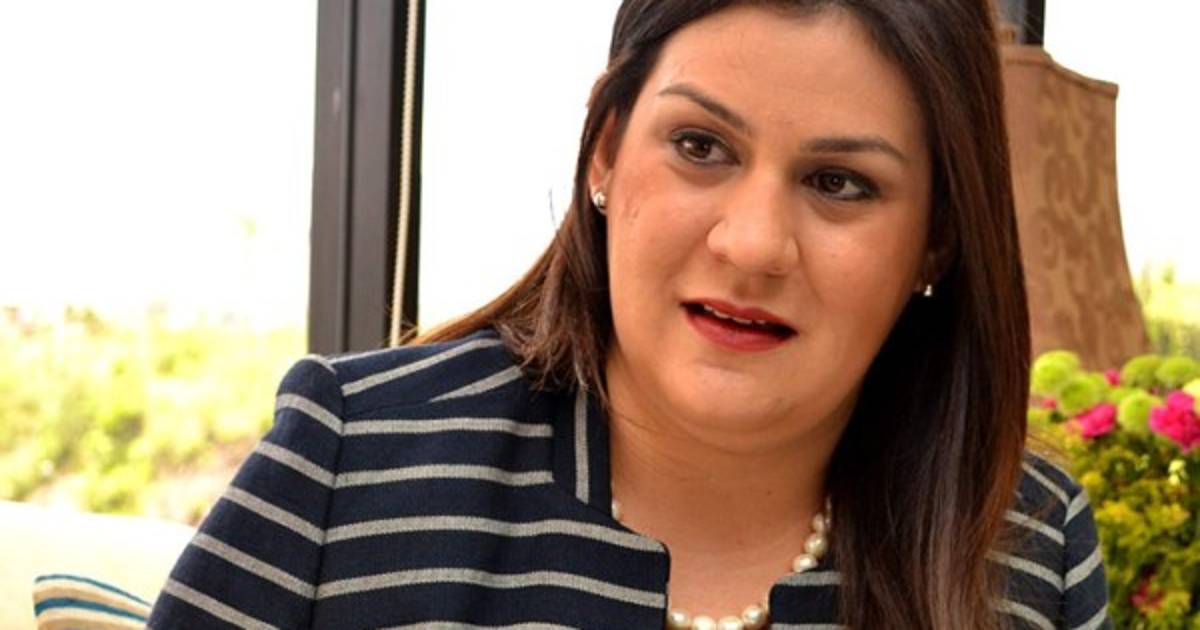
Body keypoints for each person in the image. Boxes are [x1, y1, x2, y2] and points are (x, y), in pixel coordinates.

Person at [149, 1, 1112, 628]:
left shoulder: (1030, 550)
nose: (752, 244)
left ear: (937, 241)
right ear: (605, 150)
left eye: (839, 182)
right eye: (699, 146)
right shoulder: (348, 461)